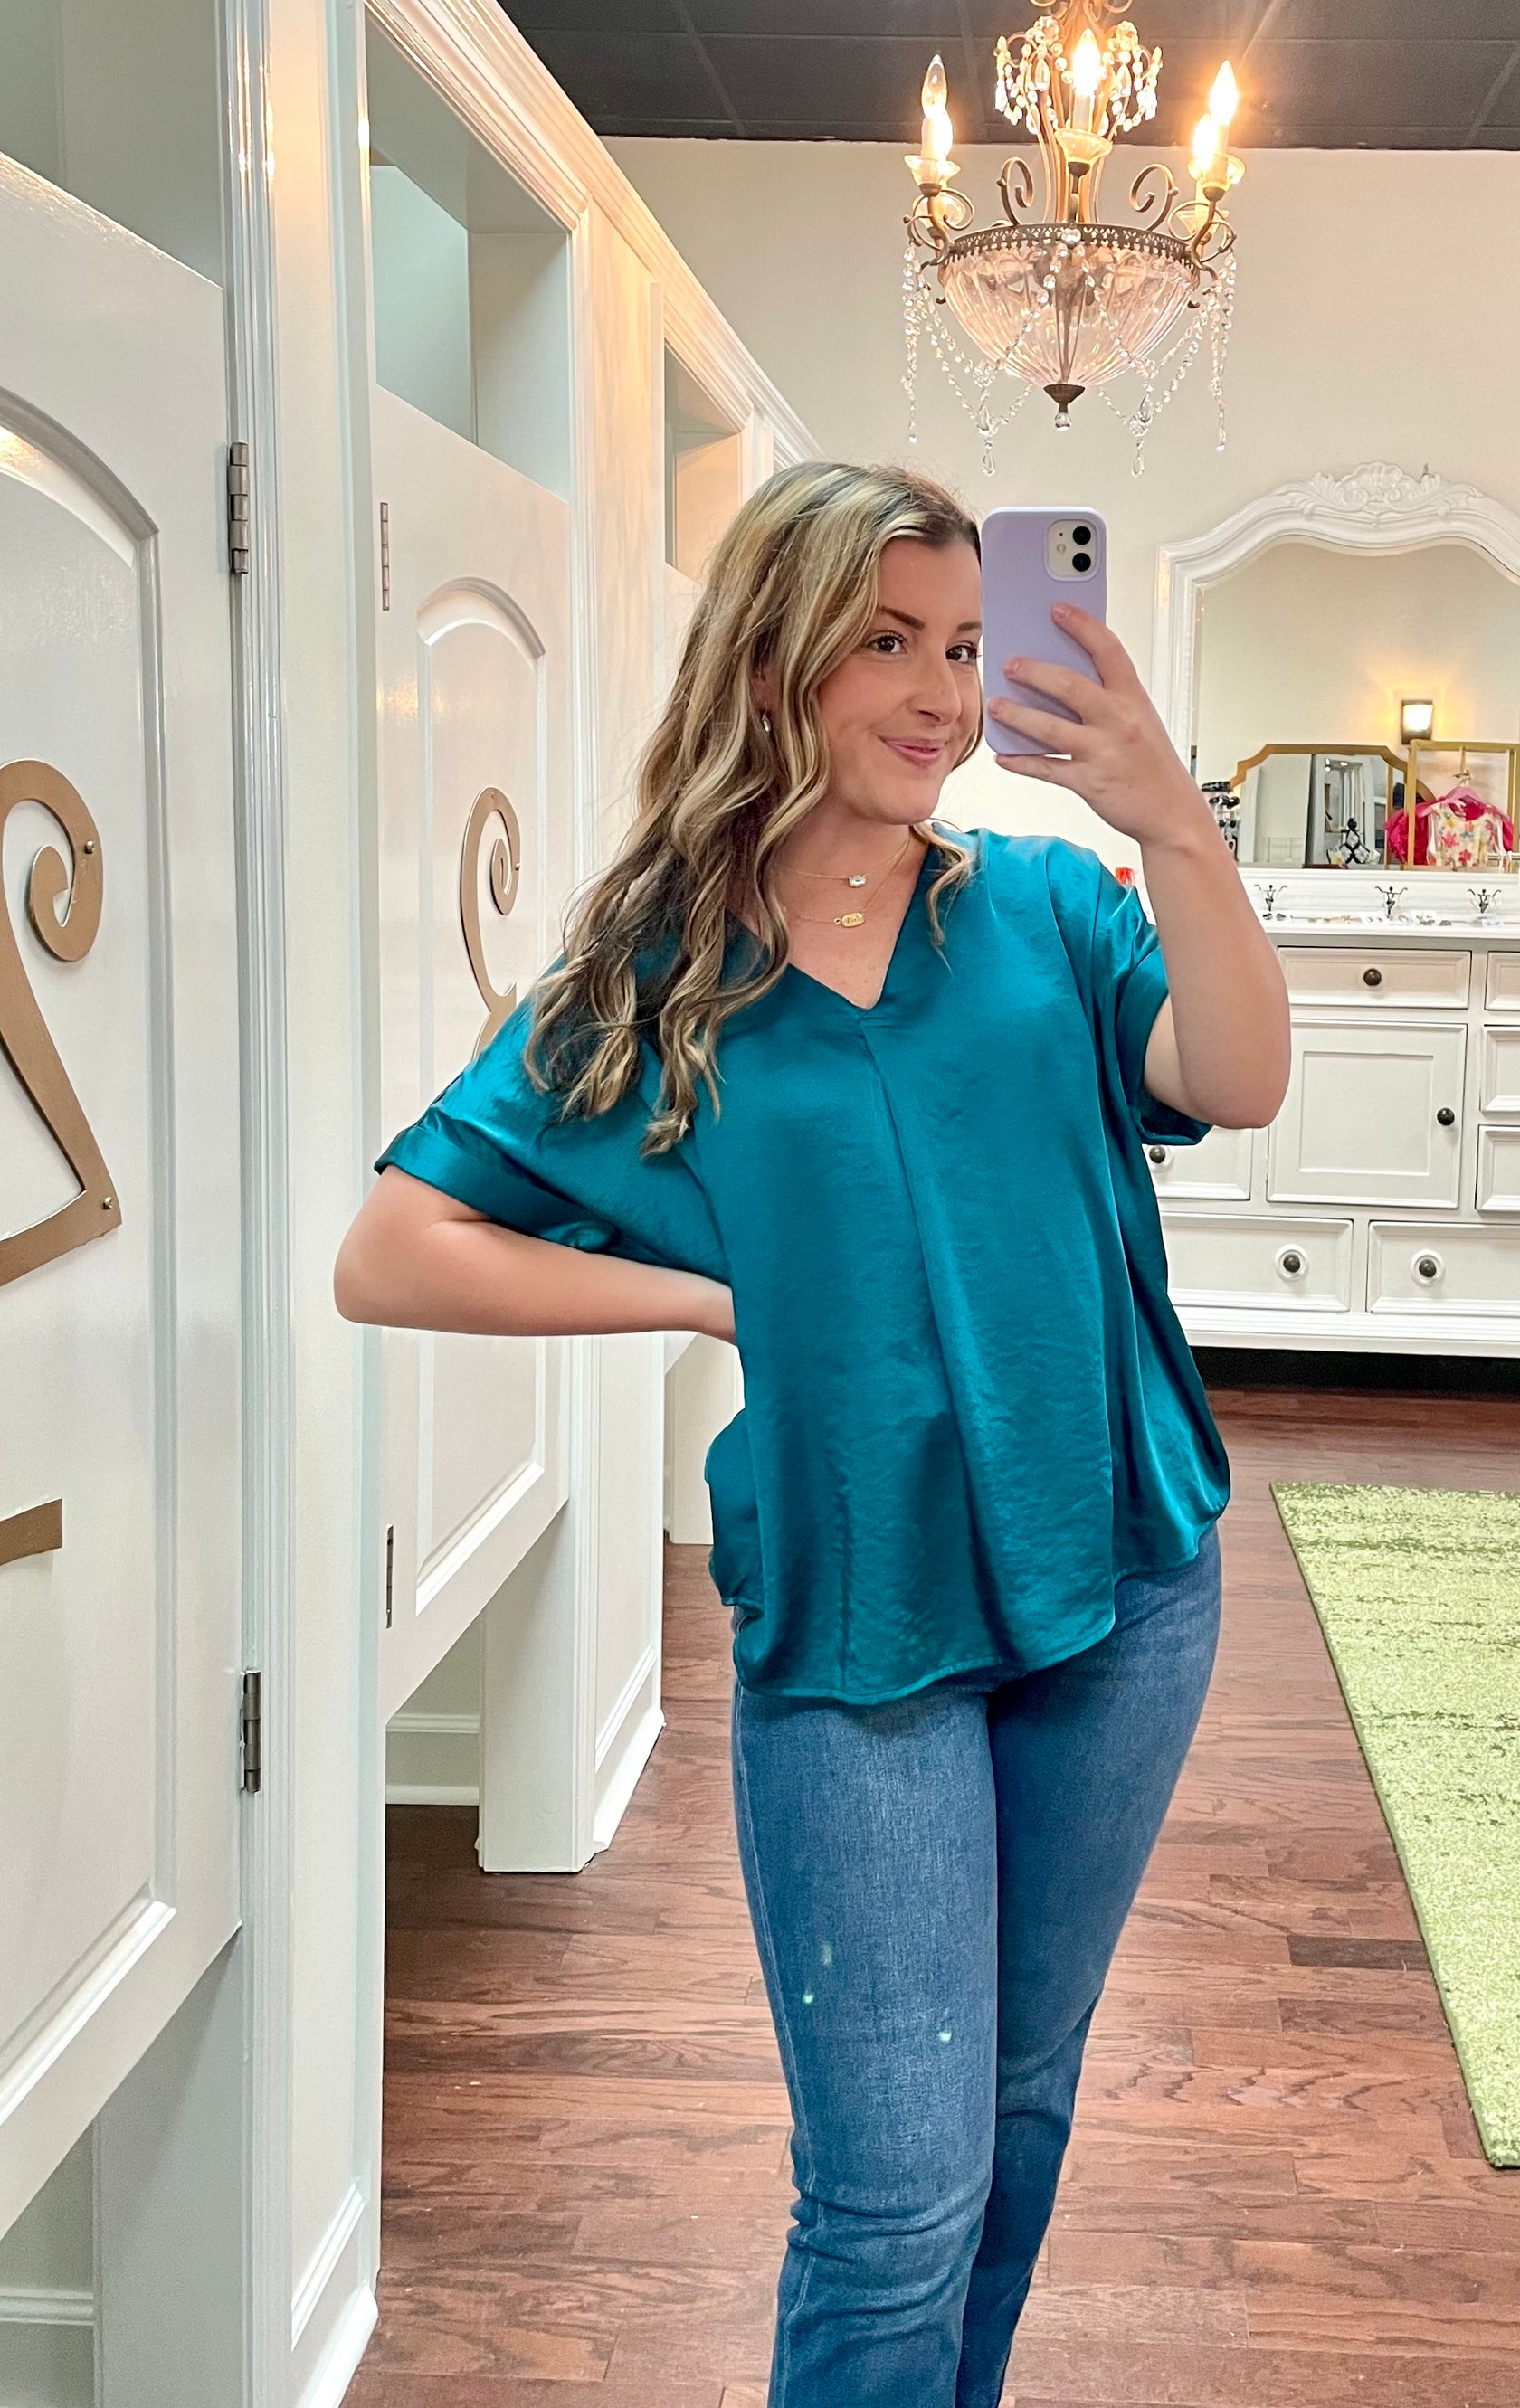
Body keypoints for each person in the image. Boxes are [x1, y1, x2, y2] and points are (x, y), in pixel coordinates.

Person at [334, 460, 1292, 2405]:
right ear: (775, 661)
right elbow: (392, 1248)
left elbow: (1240, 1076)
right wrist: (708, 1293)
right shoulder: (661, 977)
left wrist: (1171, 821)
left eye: (966, 644)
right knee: (891, 2195)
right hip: (862, 1618)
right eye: (889, 643)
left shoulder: (1048, 906)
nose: (943, 693)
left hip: (1123, 1576)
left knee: (1018, 2109)